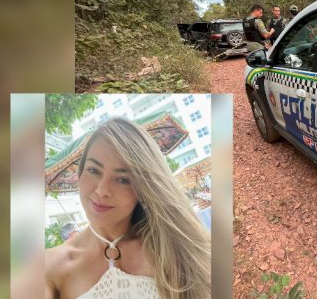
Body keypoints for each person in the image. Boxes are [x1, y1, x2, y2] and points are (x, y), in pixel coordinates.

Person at [45, 118, 211, 299]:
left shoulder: (173, 245)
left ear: (143, 188)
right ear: (81, 172)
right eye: (93, 170)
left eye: (123, 179)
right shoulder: (50, 267)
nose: (102, 190)